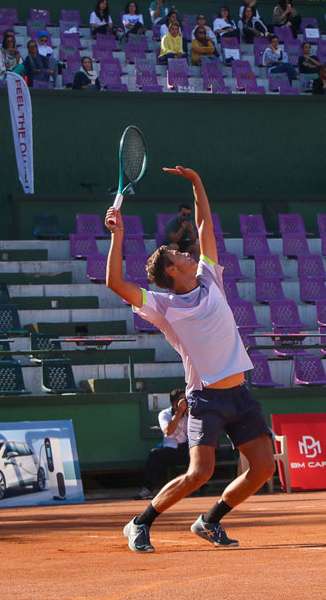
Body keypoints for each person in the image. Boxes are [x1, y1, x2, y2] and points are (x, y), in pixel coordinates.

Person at [107, 166, 275, 553]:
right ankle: (139, 523)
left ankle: (209, 521)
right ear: (170, 270)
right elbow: (116, 285)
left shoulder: (209, 277)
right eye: (177, 254)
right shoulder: (163, 306)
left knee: (264, 467)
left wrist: (198, 182)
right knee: (199, 472)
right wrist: (118, 236)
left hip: (240, 393)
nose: (186, 252)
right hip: (207, 399)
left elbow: (205, 227)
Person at [135, 389, 190, 501]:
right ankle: (148, 490)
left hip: (188, 448)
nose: (186, 402)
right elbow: (168, 431)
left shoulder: (192, 414)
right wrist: (179, 412)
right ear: (175, 403)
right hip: (171, 449)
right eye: (183, 400)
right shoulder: (164, 414)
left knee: (197, 453)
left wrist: (189, 413)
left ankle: (193, 488)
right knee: (154, 454)